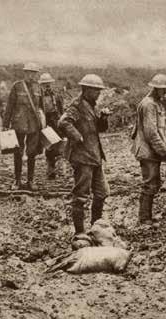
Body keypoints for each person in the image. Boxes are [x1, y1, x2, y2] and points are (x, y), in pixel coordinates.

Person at [58, 74, 110, 249]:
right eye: (95, 90)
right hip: (82, 158)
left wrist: (103, 118)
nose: (97, 94)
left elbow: (99, 130)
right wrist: (77, 137)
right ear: (86, 90)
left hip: (95, 156)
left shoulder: (92, 106)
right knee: (81, 195)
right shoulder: (77, 105)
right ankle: (79, 232)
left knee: (101, 193)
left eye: (98, 91)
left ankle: (95, 227)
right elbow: (63, 122)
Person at [131, 74, 166, 226]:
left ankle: (147, 216)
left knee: (153, 182)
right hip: (147, 151)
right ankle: (144, 219)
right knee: (149, 183)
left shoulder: (156, 103)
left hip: (152, 151)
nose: (165, 92)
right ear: (156, 89)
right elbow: (151, 133)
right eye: (163, 89)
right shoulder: (149, 105)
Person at [2, 62, 42, 190]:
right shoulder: (17, 86)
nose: (31, 75)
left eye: (34, 73)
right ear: (25, 73)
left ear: (36, 75)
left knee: (32, 153)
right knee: (18, 152)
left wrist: (43, 124)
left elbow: (42, 108)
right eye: (29, 72)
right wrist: (5, 124)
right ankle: (17, 180)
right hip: (19, 124)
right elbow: (9, 107)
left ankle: (30, 181)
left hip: (34, 125)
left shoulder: (38, 88)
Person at [39, 72, 64, 179]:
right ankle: (50, 170)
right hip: (45, 122)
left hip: (55, 121)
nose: (47, 86)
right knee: (48, 147)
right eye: (45, 84)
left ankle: (59, 169)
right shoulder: (38, 97)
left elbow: (61, 109)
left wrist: (61, 121)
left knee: (58, 144)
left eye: (48, 83)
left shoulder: (56, 95)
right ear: (41, 85)